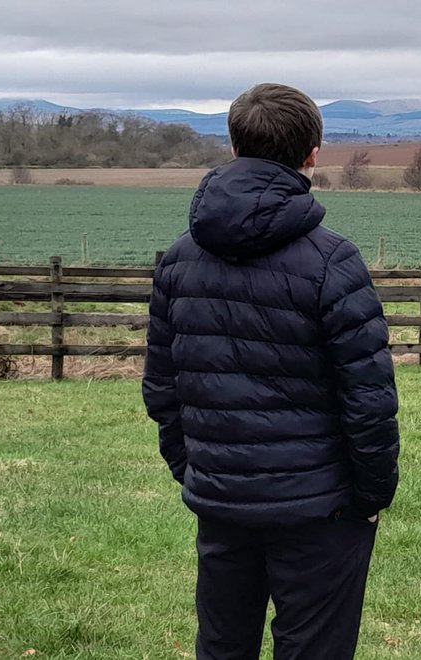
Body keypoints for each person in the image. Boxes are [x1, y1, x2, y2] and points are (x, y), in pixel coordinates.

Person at [143, 82, 400, 660]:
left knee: (222, 648)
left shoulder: (180, 259)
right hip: (321, 508)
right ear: (313, 154)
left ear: (233, 147)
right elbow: (368, 397)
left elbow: (163, 388)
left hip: (221, 499)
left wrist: (195, 470)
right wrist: (371, 494)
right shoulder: (334, 260)